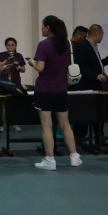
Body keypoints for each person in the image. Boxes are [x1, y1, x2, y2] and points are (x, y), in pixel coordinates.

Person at [27, 15, 82, 170]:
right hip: (62, 89)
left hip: (45, 89)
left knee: (47, 125)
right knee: (65, 124)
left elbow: (40, 67)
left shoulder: (43, 45)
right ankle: (75, 157)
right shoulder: (68, 44)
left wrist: (32, 62)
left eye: (43, 25)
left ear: (48, 28)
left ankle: (50, 160)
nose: (41, 28)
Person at [73, 24, 108, 147]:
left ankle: (99, 137)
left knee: (99, 113)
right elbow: (79, 66)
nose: (103, 37)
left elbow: (95, 65)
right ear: (97, 33)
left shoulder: (93, 46)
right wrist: (95, 75)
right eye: (102, 34)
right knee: (85, 114)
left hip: (95, 86)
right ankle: (80, 138)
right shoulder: (84, 46)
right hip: (86, 86)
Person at [0, 37, 27, 133]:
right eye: (9, 45)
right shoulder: (2, 54)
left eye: (13, 45)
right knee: (3, 104)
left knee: (14, 104)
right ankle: (1, 124)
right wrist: (6, 61)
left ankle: (13, 124)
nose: (11, 47)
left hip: (15, 83)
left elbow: (24, 69)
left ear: (16, 46)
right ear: (6, 46)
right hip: (4, 83)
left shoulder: (19, 55)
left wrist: (19, 68)